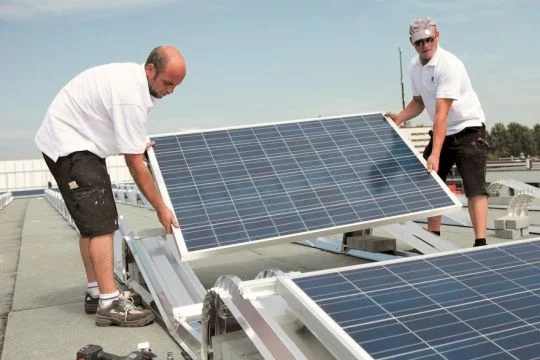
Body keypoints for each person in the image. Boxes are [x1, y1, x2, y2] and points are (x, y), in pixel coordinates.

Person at [35, 45, 185, 327]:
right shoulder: (130, 96)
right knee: (103, 222)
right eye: (168, 83)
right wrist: (160, 207)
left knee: (91, 224)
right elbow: (135, 164)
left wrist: (136, 143)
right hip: (71, 144)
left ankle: (96, 291)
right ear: (150, 69)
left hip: (75, 142)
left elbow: (128, 140)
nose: (170, 91)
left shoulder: (134, 83)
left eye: (176, 86)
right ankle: (109, 303)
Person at [385, 17, 488, 247]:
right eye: (419, 42)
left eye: (429, 39)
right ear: (412, 43)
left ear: (437, 36)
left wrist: (435, 154)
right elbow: (419, 101)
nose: (425, 45)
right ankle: (434, 239)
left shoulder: (449, 65)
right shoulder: (414, 66)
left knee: (474, 187)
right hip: (444, 130)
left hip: (468, 129)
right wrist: (401, 117)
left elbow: (441, 114)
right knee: (432, 183)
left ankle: (480, 242)